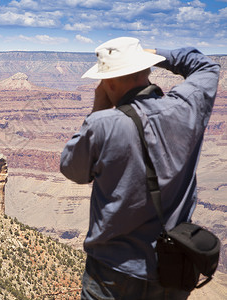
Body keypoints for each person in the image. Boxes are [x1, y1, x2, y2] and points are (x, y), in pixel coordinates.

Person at [60, 37, 220, 299]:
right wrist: (156, 53)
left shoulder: (103, 125)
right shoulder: (186, 107)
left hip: (112, 273)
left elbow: (73, 170)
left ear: (108, 81)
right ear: (147, 70)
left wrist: (98, 107)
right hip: (173, 270)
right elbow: (207, 68)